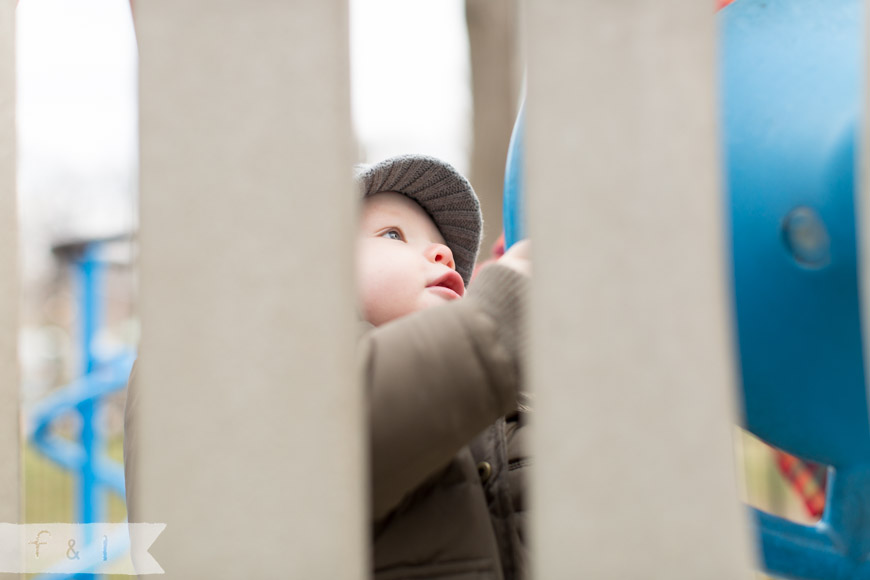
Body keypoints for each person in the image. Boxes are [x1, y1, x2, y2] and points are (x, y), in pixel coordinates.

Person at [357, 154, 530, 580]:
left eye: (444, 248)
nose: (443, 254)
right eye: (394, 234)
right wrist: (495, 320)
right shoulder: (306, 376)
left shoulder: (498, 407)